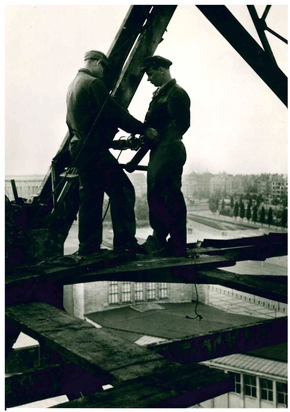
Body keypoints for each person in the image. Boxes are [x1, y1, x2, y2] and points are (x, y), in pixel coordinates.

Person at [66, 50, 146, 256]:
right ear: (95, 62)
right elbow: (115, 113)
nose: (103, 73)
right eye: (103, 67)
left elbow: (72, 123)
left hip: (80, 149)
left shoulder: (73, 85)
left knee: (90, 197)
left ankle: (88, 247)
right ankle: (125, 243)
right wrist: (142, 129)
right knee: (123, 190)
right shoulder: (93, 83)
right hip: (93, 151)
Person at [140, 55, 191, 257]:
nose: (148, 79)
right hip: (160, 151)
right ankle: (161, 239)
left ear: (161, 70)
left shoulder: (176, 94)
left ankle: (174, 243)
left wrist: (159, 137)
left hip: (169, 150)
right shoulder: (162, 94)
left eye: (150, 74)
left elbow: (181, 124)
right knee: (157, 195)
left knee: (170, 196)